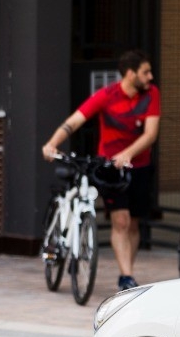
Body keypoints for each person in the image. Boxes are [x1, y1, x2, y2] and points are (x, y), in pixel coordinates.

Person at [42, 49, 160, 291]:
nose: (150, 76)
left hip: (139, 166)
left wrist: (128, 153)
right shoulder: (107, 95)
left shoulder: (152, 95)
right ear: (130, 74)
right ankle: (126, 276)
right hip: (109, 167)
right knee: (121, 221)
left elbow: (150, 134)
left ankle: (127, 270)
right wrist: (52, 143)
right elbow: (75, 120)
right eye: (145, 72)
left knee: (134, 224)